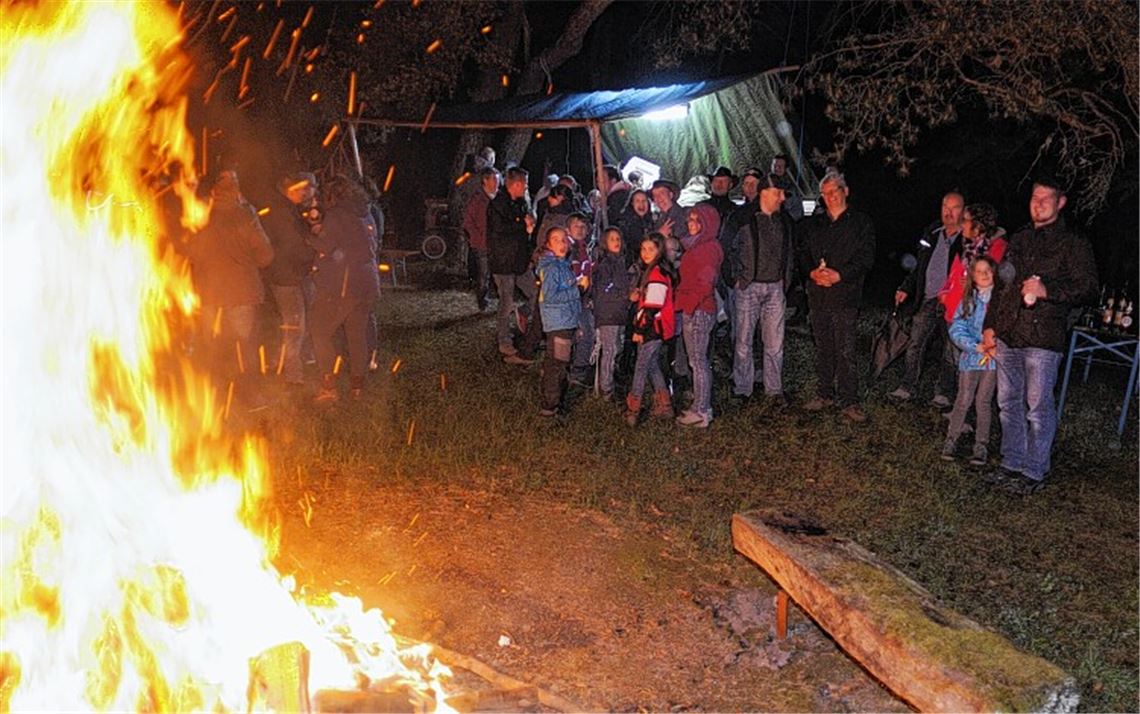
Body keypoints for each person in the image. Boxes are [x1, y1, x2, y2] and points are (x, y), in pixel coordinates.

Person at [980, 179, 1098, 494]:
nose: (1039, 202)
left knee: (1037, 407)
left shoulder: (1073, 243)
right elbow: (1003, 285)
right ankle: (1012, 463)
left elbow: (1088, 287)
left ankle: (1034, 470)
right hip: (1009, 334)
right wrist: (990, 325)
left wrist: (1048, 291)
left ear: (1061, 203)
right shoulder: (1019, 239)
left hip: (1044, 338)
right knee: (1008, 403)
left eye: (1047, 197)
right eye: (1035, 196)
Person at [797, 171, 876, 422]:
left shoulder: (860, 223)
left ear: (845, 191)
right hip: (818, 295)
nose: (830, 197)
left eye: (834, 191)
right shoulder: (816, 224)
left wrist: (840, 275)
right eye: (825, 193)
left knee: (845, 349)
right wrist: (811, 271)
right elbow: (803, 253)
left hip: (846, 296)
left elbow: (866, 258)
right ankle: (824, 393)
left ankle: (849, 401)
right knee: (823, 347)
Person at [187, 170, 274, 390]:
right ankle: (251, 393)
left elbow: (191, 253)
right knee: (245, 344)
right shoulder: (245, 216)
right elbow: (266, 256)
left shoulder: (199, 216)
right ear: (236, 191)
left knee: (211, 344)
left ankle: (209, 392)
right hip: (240, 292)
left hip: (209, 292)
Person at [307, 175, 381, 402]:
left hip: (344, 285)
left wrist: (309, 237)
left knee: (319, 331)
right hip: (367, 282)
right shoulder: (366, 212)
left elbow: (327, 246)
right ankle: (357, 387)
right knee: (357, 334)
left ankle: (328, 386)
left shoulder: (338, 215)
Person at [890, 191, 966, 406]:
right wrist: (906, 287)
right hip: (929, 298)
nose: (948, 212)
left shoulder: (967, 238)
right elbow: (919, 266)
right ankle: (907, 386)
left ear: (963, 210)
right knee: (915, 342)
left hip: (953, 303)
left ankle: (944, 392)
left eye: (954, 208)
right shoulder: (932, 232)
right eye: (945, 207)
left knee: (950, 348)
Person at [731, 174, 794, 407]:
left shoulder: (783, 220)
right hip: (749, 286)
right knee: (744, 341)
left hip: (775, 288)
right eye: (779, 192)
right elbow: (729, 246)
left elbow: (790, 252)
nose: (782, 197)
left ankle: (774, 389)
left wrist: (785, 280)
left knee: (775, 342)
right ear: (765, 193)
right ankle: (743, 388)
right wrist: (736, 278)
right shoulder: (744, 217)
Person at [261, 171, 317, 385]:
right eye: (302, 189)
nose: (305, 193)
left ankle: (278, 360)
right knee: (294, 326)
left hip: (292, 273)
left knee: (294, 323)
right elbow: (292, 246)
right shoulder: (282, 213)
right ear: (291, 189)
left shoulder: (289, 209)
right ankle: (293, 376)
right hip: (286, 276)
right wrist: (315, 253)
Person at [942, 255, 999, 465]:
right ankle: (951, 439)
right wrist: (974, 346)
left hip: (992, 360)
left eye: (988, 270)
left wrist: (994, 346)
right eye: (979, 271)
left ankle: (981, 445)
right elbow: (957, 327)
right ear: (972, 276)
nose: (984, 274)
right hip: (970, 357)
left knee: (983, 401)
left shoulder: (1000, 301)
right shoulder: (968, 300)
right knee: (963, 398)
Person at [675, 203, 724, 428]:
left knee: (698, 361)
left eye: (696, 220)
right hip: (694, 307)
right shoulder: (696, 246)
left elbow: (705, 282)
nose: (691, 224)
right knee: (697, 360)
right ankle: (700, 405)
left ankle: (702, 410)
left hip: (699, 310)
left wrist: (689, 307)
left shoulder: (708, 248)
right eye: (690, 220)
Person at [625, 232, 677, 426]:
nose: (646, 253)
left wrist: (639, 330)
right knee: (652, 364)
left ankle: (633, 408)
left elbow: (653, 306)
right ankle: (665, 405)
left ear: (659, 250)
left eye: (651, 249)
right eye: (644, 249)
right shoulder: (652, 271)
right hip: (655, 326)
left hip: (653, 327)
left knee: (641, 366)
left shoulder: (656, 274)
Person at [536, 226, 586, 417]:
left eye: (564, 239)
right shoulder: (551, 268)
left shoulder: (562, 265)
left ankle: (555, 402)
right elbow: (550, 296)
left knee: (559, 363)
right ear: (548, 244)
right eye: (556, 240)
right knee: (557, 365)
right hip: (558, 325)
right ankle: (550, 407)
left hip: (566, 322)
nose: (562, 243)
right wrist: (576, 290)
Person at [488, 166, 537, 361]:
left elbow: (524, 224)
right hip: (503, 261)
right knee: (506, 301)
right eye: (524, 183)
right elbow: (500, 229)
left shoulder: (520, 202)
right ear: (516, 184)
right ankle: (504, 341)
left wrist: (529, 225)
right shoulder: (498, 204)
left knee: (535, 292)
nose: (526, 187)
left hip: (520, 260)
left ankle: (524, 312)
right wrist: (522, 225)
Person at [938, 203, 1007, 322]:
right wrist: (944, 295)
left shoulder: (998, 248)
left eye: (965, 220)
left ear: (978, 225)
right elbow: (953, 275)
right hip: (954, 314)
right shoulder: (966, 247)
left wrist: (973, 285)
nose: (961, 224)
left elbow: (997, 282)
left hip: (976, 318)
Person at [590, 227, 631, 400]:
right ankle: (606, 388)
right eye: (612, 239)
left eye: (618, 239)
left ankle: (609, 381)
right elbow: (605, 290)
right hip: (608, 313)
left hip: (618, 312)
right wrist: (626, 295)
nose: (616, 242)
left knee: (615, 348)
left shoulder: (620, 262)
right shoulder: (606, 265)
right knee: (610, 350)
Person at [461, 167, 499, 312]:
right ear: (485, 180)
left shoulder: (498, 198)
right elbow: (468, 222)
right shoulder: (478, 200)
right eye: (494, 179)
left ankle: (497, 297)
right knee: (483, 273)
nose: (497, 182)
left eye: (498, 179)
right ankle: (482, 301)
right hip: (482, 243)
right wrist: (478, 237)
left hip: (496, 243)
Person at [565, 212, 596, 387]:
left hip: (583, 300)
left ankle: (578, 368)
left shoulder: (586, 249)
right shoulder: (567, 249)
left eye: (583, 227)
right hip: (570, 301)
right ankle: (575, 369)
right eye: (576, 226)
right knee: (580, 334)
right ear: (568, 229)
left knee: (586, 333)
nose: (580, 229)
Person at [617, 189, 654, 266]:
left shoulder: (651, 221)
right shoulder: (626, 223)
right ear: (632, 204)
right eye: (637, 201)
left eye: (644, 201)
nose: (641, 204)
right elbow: (634, 245)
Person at [770, 154, 802, 221]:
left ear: (785, 168)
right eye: (775, 166)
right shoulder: (767, 182)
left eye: (780, 166)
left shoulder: (790, 188)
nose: (777, 169)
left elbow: (784, 207)